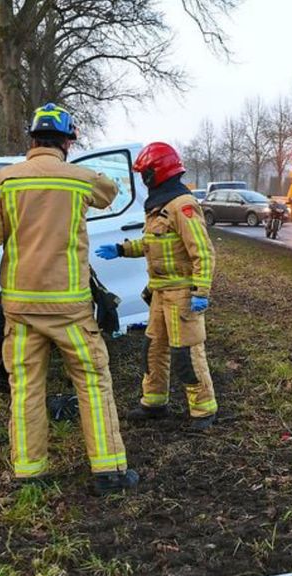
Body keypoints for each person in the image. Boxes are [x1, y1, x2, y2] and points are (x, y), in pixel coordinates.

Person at [0, 103, 137, 494]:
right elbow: (111, 192)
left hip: (20, 309)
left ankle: (29, 472)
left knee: (26, 388)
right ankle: (109, 471)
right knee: (93, 383)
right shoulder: (80, 180)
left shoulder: (3, 181)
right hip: (70, 309)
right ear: (67, 143)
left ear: (33, 139)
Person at [95, 142, 219, 431]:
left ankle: (203, 409)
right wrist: (122, 249)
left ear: (157, 172)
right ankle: (153, 403)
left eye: (145, 173)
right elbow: (153, 244)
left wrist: (200, 292)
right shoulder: (159, 207)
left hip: (182, 294)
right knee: (153, 350)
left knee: (186, 353)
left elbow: (203, 252)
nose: (143, 179)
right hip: (160, 293)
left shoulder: (182, 206)